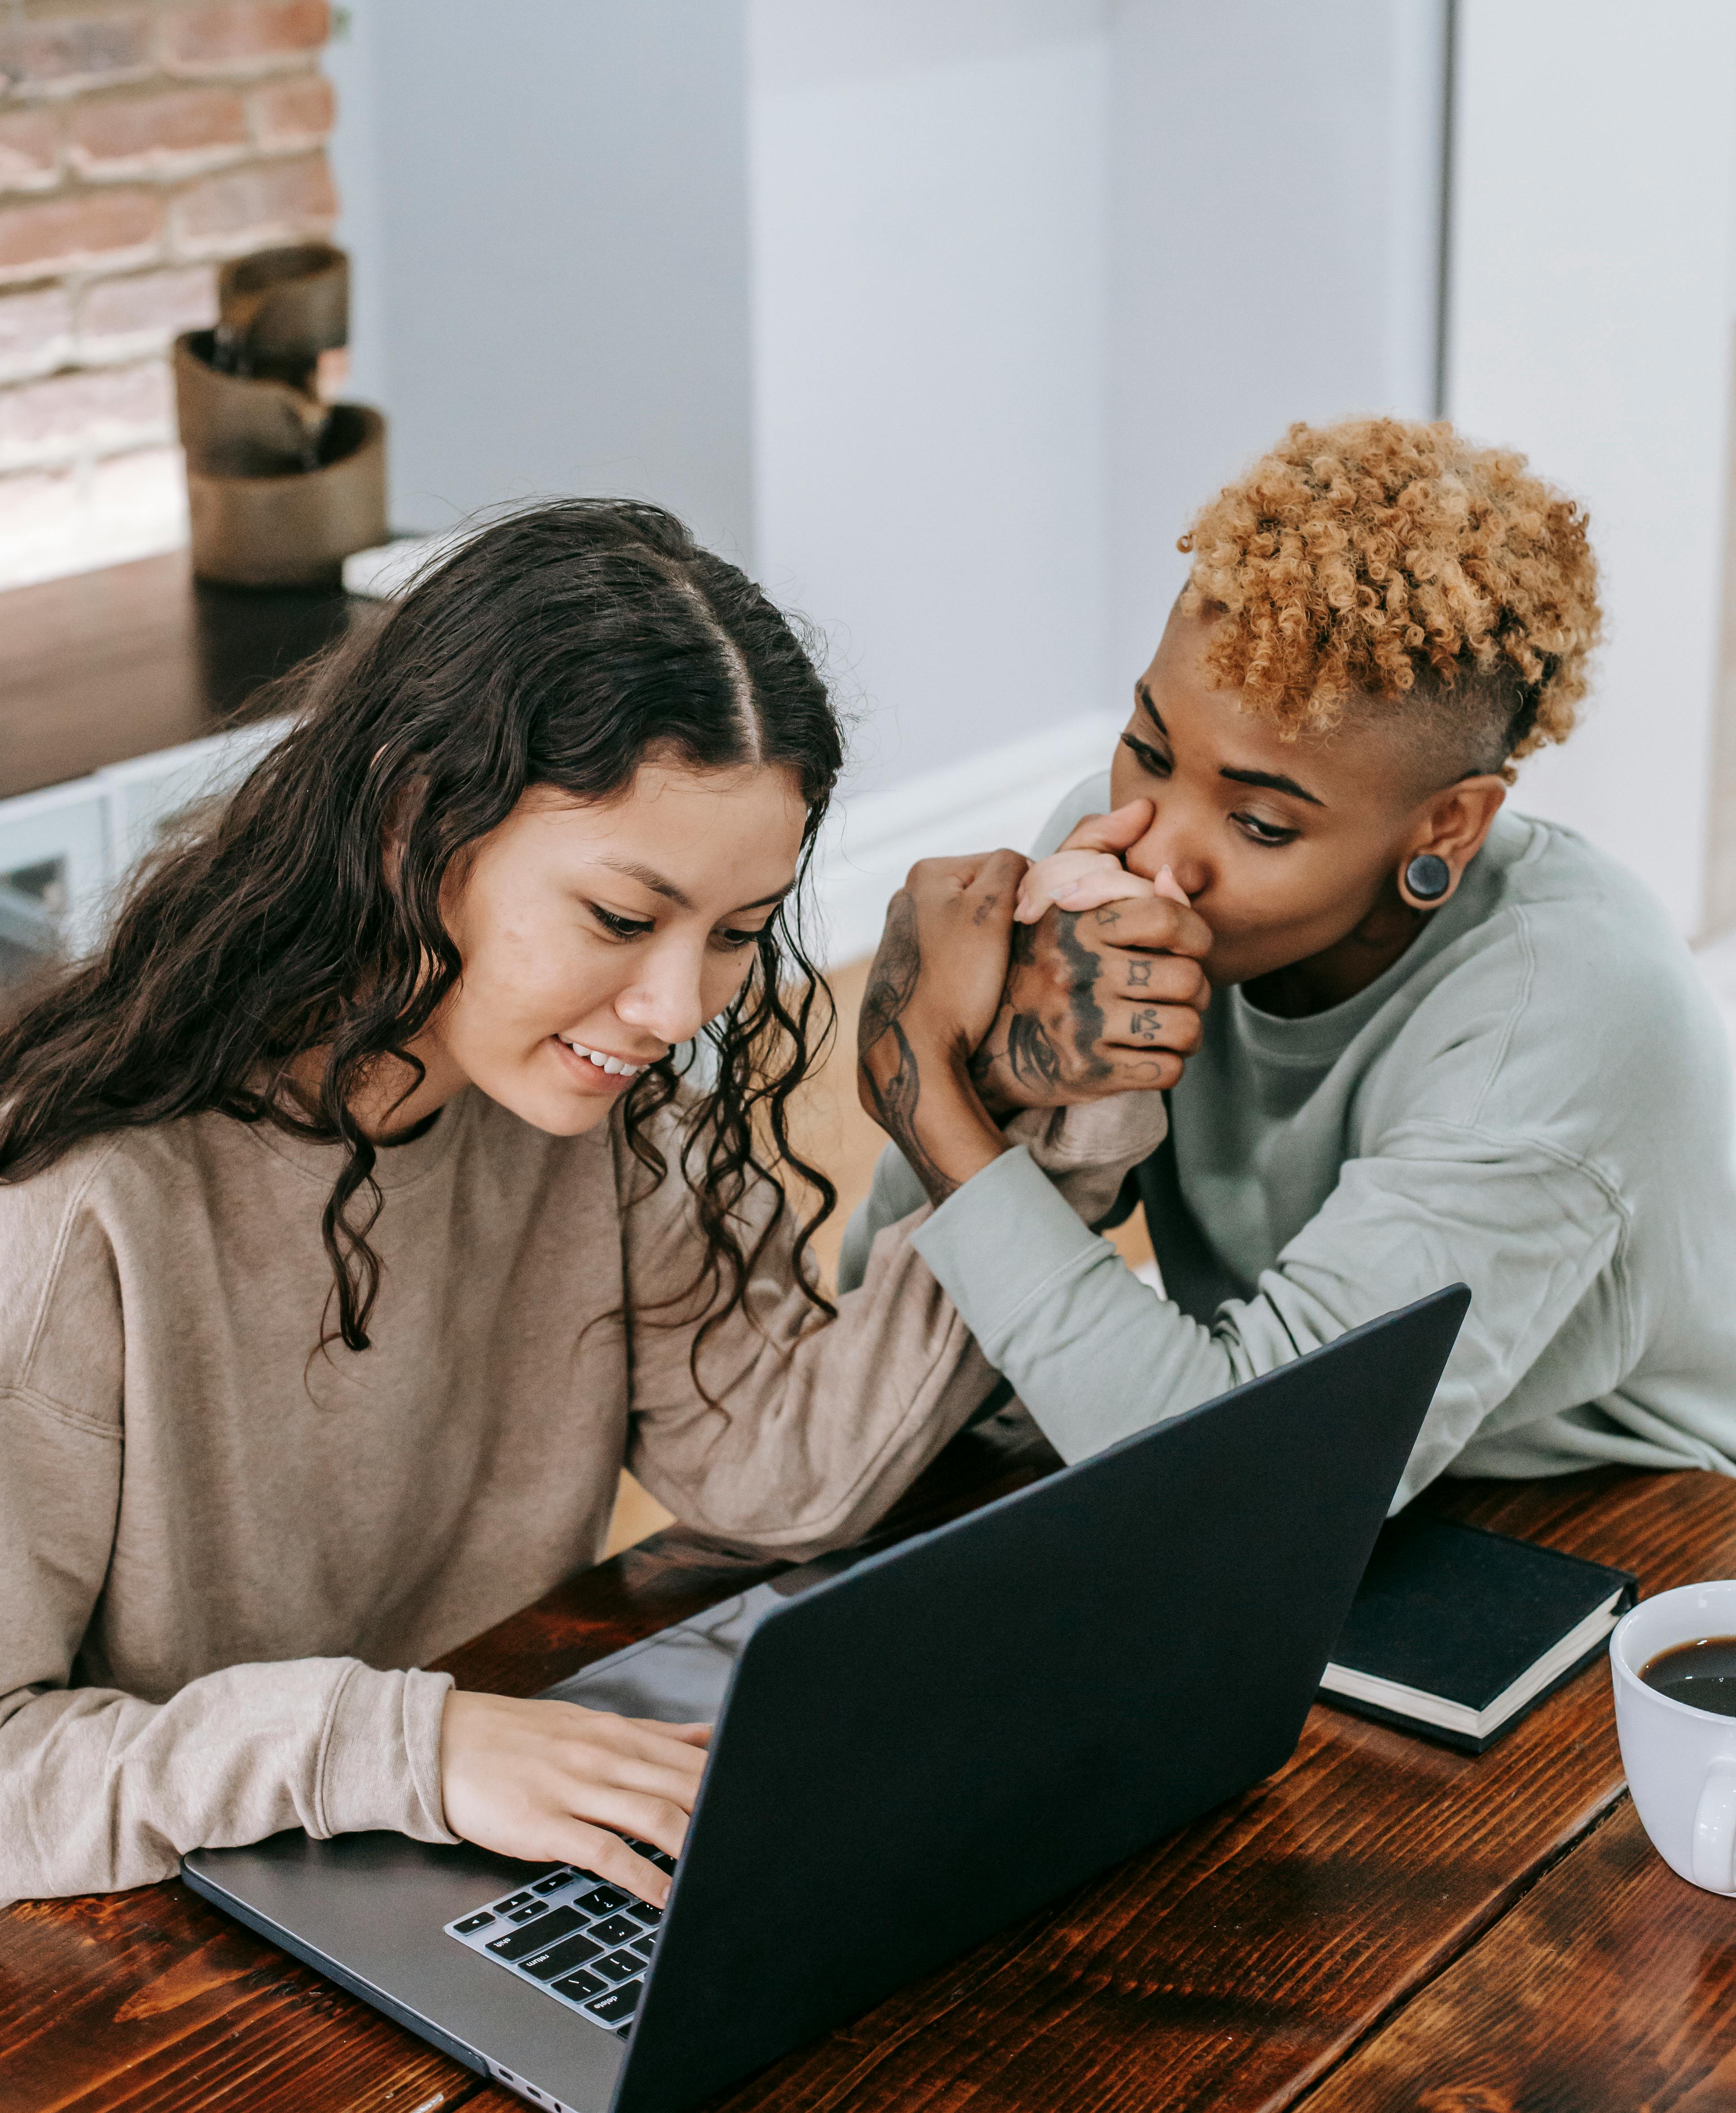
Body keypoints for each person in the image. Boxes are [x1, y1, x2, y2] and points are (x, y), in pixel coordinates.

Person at [0, 502, 1164, 1904]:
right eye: (622, 920)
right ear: (411, 826)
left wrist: (1041, 1107)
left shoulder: (582, 1121)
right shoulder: (78, 1212)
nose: (677, 1008)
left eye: (737, 937)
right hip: (149, 1960)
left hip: (435, 1858)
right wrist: (405, 1745)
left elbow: (781, 1471)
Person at [843, 416, 1736, 1503]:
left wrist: (926, 1079)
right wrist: (1001, 1076)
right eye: (1148, 750)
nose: (1159, 855)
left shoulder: (1565, 1015)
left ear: (1445, 828)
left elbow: (1232, 1482)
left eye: (1260, 825)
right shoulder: (1107, 846)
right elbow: (882, 1349)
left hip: (1624, 1513)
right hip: (1283, 1454)